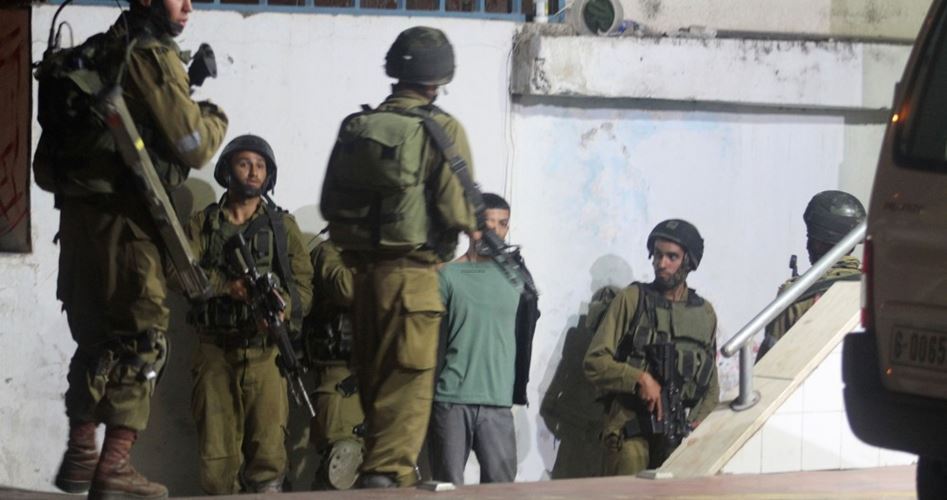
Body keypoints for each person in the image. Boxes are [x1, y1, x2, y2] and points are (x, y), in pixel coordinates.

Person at [43, 0, 229, 498]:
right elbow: (193, 144)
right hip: (129, 225)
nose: (188, 5)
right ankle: (114, 467)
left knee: (97, 339)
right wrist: (213, 114)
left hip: (81, 224)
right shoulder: (150, 55)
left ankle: (82, 454)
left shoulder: (91, 55)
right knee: (144, 341)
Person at [319, 26, 478, 488]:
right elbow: (457, 209)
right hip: (413, 282)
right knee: (400, 418)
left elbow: (332, 204)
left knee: (376, 404)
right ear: (438, 79)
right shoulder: (440, 128)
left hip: (364, 281)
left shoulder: (358, 128)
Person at [184, 135, 313, 494]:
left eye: (261, 166)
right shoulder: (202, 225)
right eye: (244, 163)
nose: (253, 171)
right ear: (228, 170)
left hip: (264, 353)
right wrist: (228, 287)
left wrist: (281, 309)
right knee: (217, 461)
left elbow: (304, 288)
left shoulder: (281, 228)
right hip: (214, 352)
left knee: (269, 456)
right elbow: (176, 272)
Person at [584, 219, 719, 476]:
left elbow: (710, 383)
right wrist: (639, 378)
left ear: (689, 262)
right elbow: (594, 361)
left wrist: (697, 423)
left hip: (679, 431)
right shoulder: (633, 300)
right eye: (657, 255)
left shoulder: (705, 313)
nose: (661, 263)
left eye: (672, 257)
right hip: (631, 425)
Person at [427, 193, 538, 485]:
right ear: (471, 227)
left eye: (502, 225)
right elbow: (428, 339)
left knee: (501, 491)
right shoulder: (448, 275)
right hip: (451, 399)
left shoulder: (517, 279)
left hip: (498, 402)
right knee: (446, 488)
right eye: (487, 224)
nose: (495, 232)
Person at [756, 190, 866, 361]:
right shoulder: (871, 291)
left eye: (811, 237)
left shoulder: (795, 296)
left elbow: (766, 366)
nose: (808, 245)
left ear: (820, 241)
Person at [302, 238, 366, 490]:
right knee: (344, 464)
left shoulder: (392, 253)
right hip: (342, 374)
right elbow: (345, 288)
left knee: (391, 471)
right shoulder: (329, 251)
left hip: (386, 374)